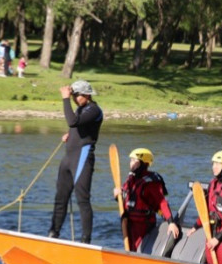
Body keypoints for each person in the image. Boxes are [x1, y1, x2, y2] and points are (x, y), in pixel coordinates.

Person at [48, 80, 104, 243]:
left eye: (76, 96)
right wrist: (70, 135)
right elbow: (76, 126)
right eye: (72, 96)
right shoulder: (81, 109)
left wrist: (65, 99)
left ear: (87, 95)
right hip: (68, 158)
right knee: (61, 198)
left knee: (82, 199)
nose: (73, 99)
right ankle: (53, 233)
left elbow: (72, 121)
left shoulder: (94, 110)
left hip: (83, 158)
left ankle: (85, 240)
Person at [113, 148, 180, 251]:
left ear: (143, 163)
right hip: (128, 222)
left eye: (134, 160)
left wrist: (171, 222)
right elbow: (126, 199)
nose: (131, 164)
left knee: (138, 251)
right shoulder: (131, 179)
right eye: (130, 160)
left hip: (143, 225)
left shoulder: (151, 183)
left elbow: (162, 202)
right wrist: (118, 195)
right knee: (130, 250)